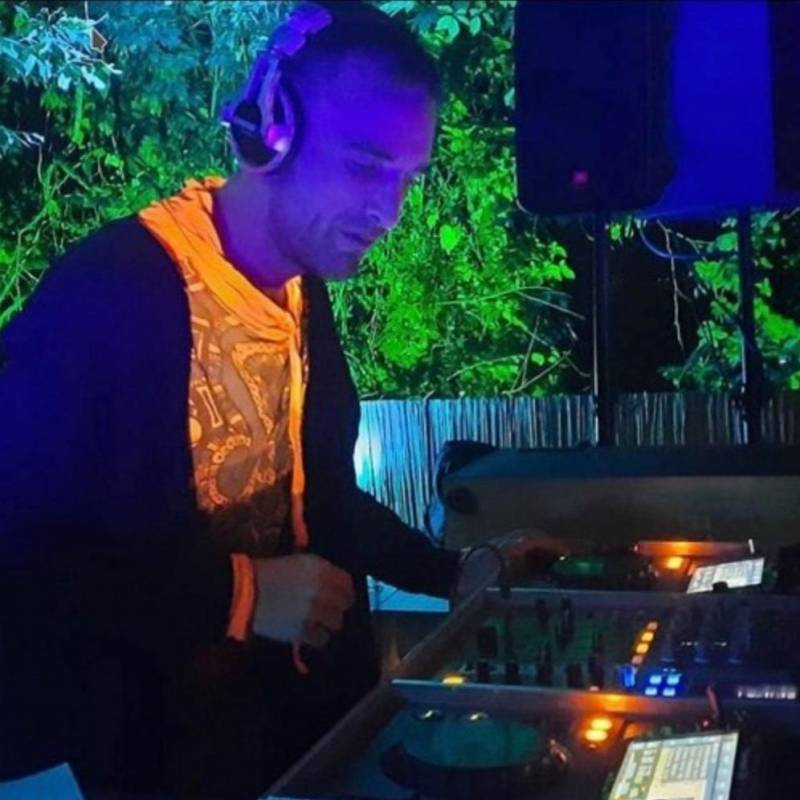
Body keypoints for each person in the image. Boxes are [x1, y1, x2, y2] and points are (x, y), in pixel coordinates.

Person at [0, 3, 557, 798]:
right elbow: (24, 560)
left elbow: (319, 498)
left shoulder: (302, 291)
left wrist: (450, 571)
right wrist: (240, 594)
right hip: (151, 760)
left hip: (298, 744)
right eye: (366, 166)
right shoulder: (108, 294)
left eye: (406, 179)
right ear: (269, 130)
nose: (389, 212)